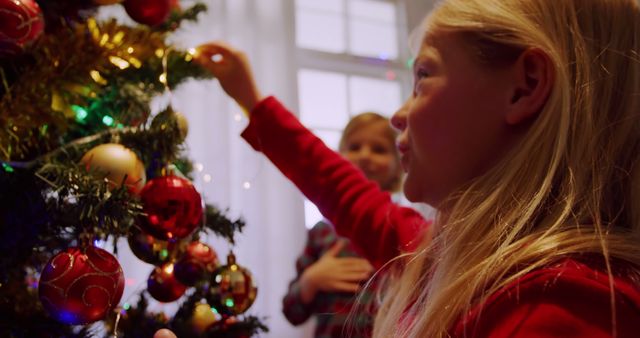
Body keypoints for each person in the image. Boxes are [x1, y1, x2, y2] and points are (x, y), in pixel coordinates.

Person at [193, 0, 640, 337]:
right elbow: (343, 189)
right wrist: (253, 102)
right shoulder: (443, 256)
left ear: (524, 88)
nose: (398, 115)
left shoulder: (556, 308)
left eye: (424, 75)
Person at [281, 112, 403, 338]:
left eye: (379, 149)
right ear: (339, 158)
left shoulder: (403, 228)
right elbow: (291, 311)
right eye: (354, 147)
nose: (365, 156)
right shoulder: (321, 232)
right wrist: (311, 280)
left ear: (398, 165)